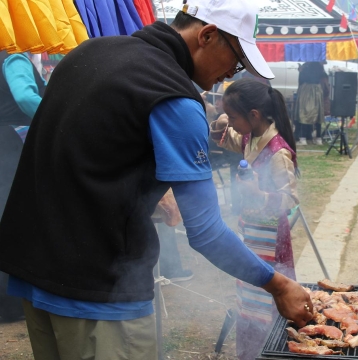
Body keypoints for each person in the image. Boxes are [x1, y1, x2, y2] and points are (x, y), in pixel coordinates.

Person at [0, 1, 314, 358]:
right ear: (208, 36)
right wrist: (276, 284)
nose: (232, 74)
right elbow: (206, 232)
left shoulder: (89, 52)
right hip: (100, 295)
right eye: (237, 60)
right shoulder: (175, 98)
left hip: (34, 275)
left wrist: (140, 196)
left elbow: (81, 158)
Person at [210, 78, 299, 360]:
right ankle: (250, 352)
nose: (233, 122)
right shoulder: (251, 135)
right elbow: (231, 139)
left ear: (254, 115)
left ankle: (271, 353)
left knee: (269, 299)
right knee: (250, 296)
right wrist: (221, 123)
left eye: (234, 116)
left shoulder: (278, 152)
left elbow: (290, 199)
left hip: (272, 239)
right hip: (252, 231)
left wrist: (259, 194)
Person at [0, 51, 45, 323]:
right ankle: (11, 305)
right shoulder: (14, 58)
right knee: (15, 220)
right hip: (13, 144)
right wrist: (62, 115)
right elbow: (26, 98)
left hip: (5, 143)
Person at [294, 61, 326, 145]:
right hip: (317, 91)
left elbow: (301, 80)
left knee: (304, 113)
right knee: (317, 114)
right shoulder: (319, 65)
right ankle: (318, 138)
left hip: (306, 90)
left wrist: (300, 71)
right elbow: (323, 77)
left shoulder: (305, 67)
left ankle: (303, 138)